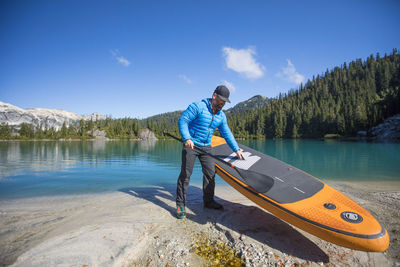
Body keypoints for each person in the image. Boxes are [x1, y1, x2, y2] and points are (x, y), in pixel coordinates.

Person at [176, 85, 244, 219]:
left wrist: (236, 149)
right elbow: (183, 121)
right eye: (221, 100)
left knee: (210, 174)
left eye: (225, 102)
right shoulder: (198, 107)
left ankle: (208, 202)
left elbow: (227, 133)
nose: (223, 104)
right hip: (191, 144)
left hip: (206, 147)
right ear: (214, 96)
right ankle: (180, 204)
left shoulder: (221, 116)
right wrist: (187, 138)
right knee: (186, 174)